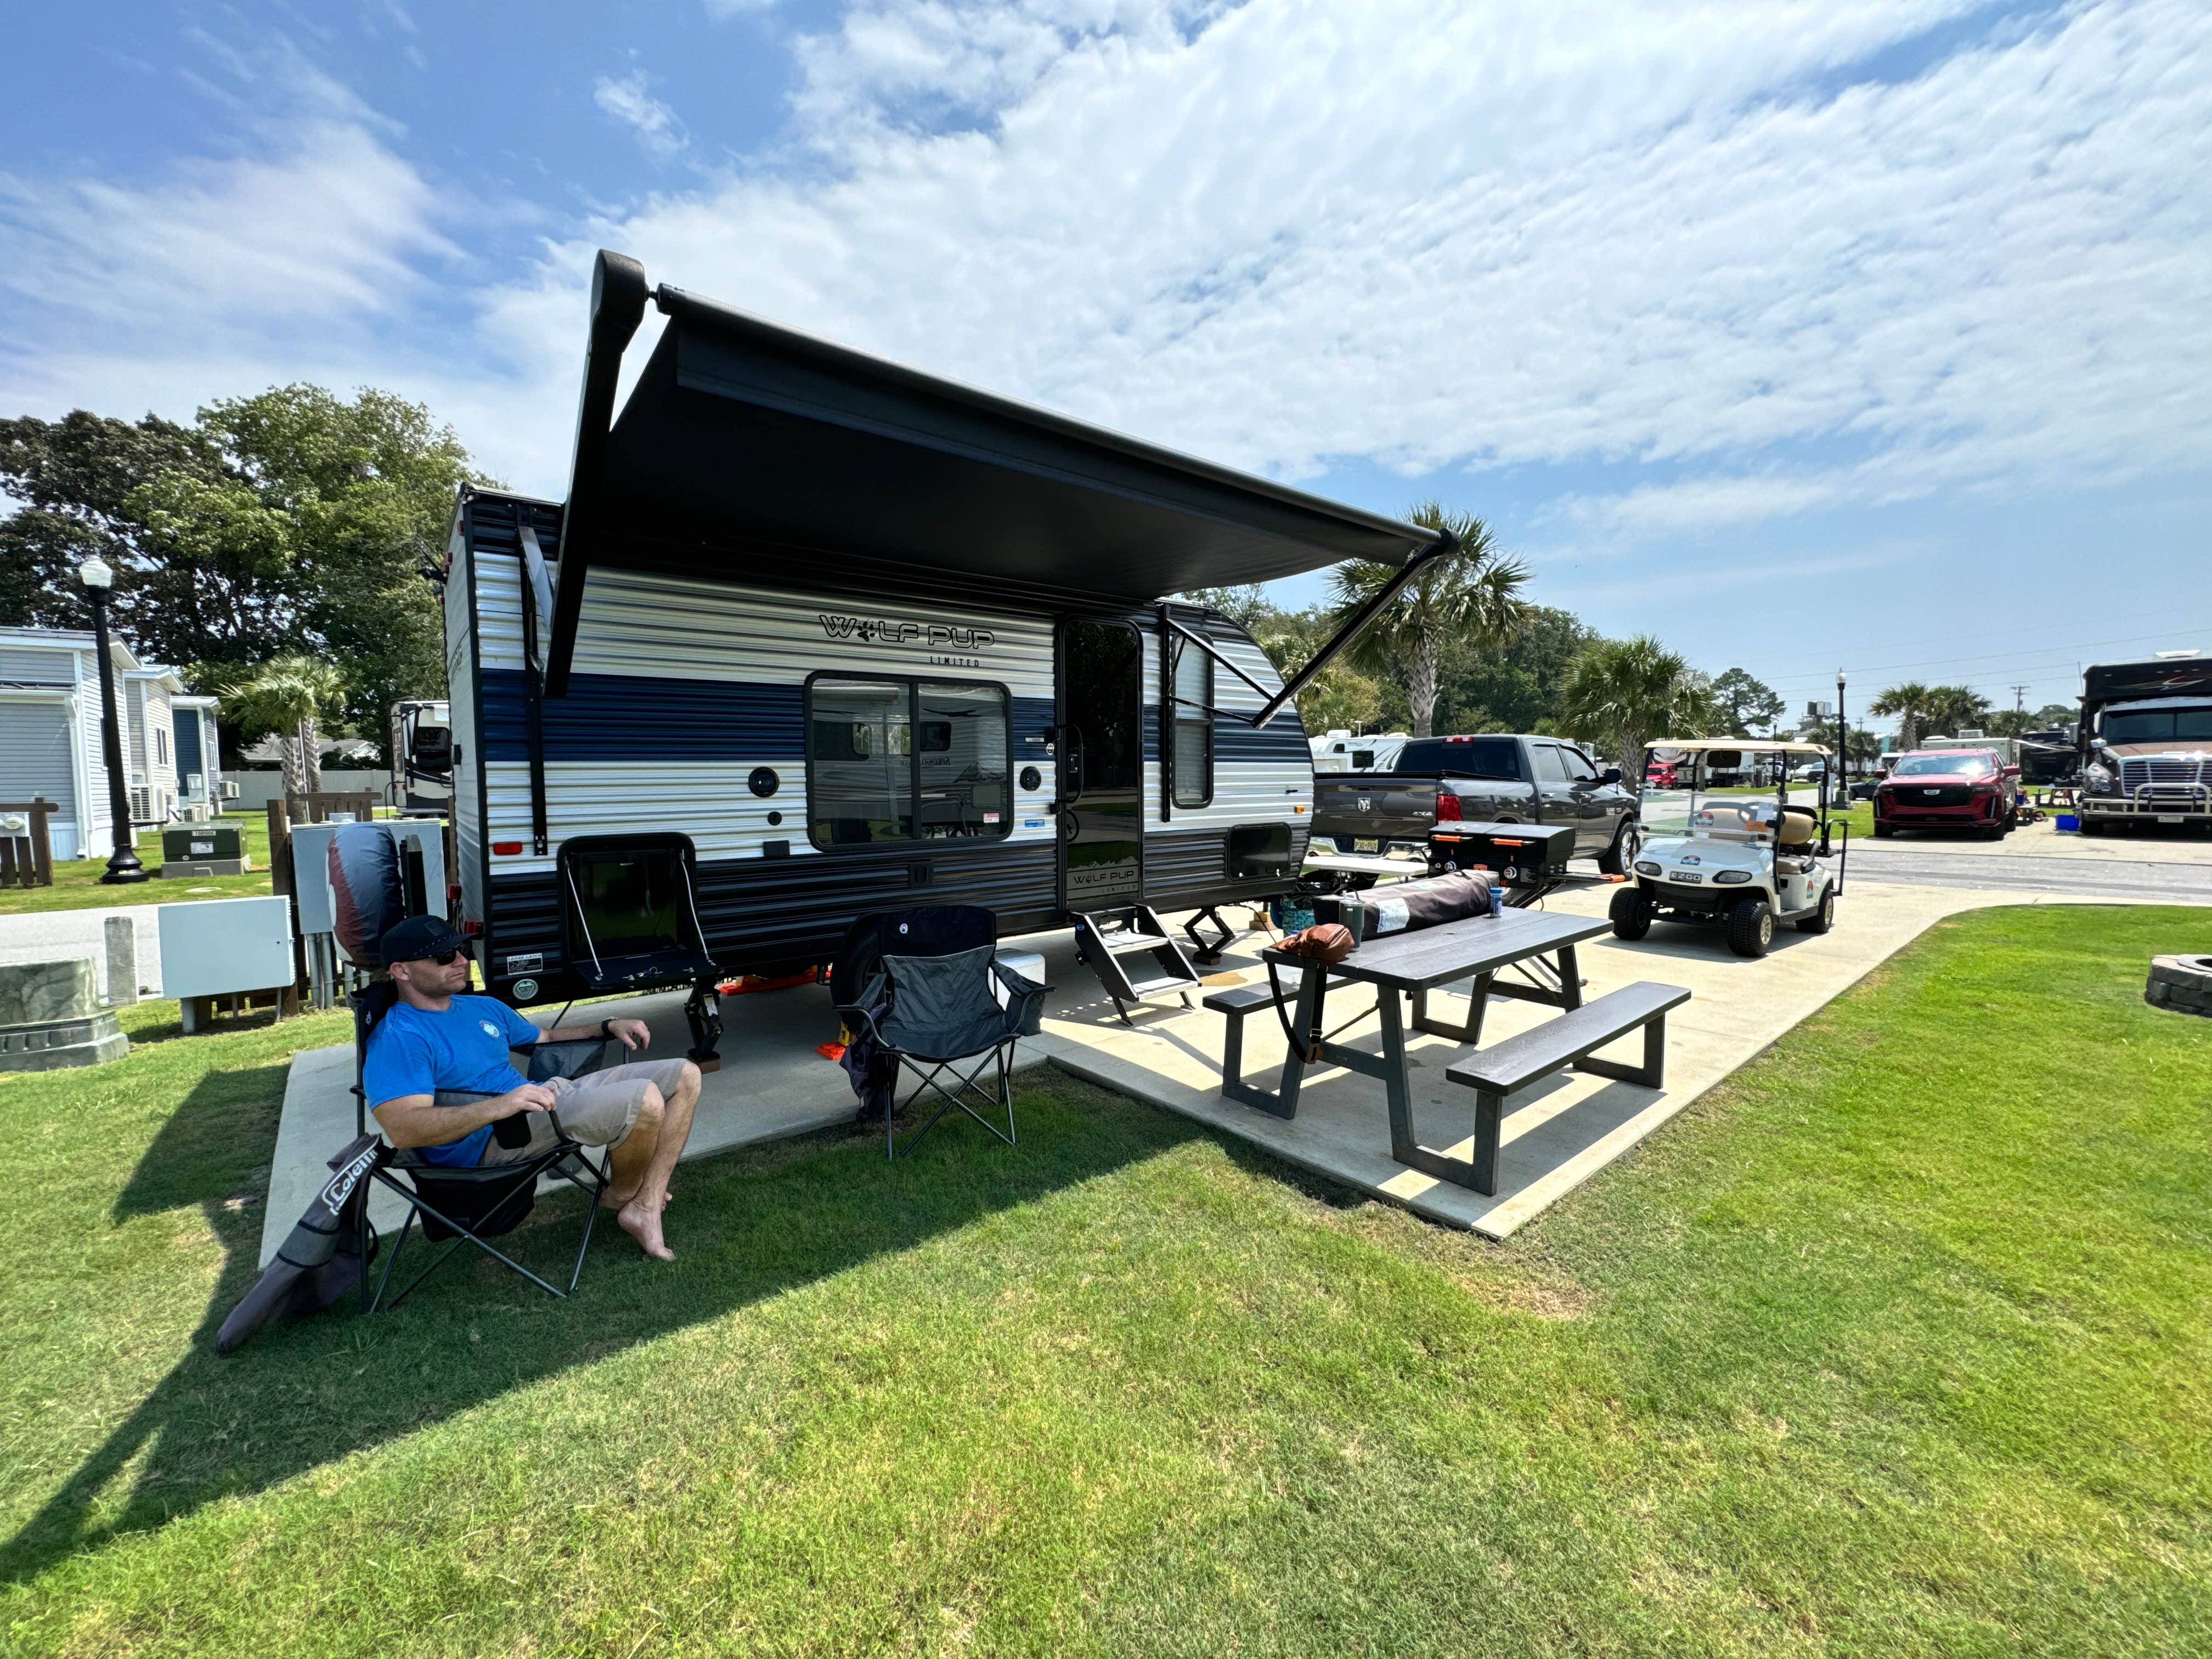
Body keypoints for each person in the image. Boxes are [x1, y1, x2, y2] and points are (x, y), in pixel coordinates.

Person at [364, 916, 700, 1260]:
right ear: (402, 971)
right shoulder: (400, 1039)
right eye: (444, 957)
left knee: (686, 1075)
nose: (464, 961)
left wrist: (609, 1024)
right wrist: (501, 1106)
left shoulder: (482, 1006)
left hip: (540, 1100)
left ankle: (645, 1203)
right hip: (495, 1136)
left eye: (462, 950)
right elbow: (405, 1129)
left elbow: (547, 1037)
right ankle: (623, 1194)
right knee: (645, 1100)